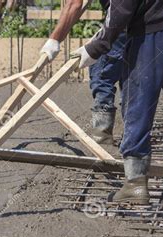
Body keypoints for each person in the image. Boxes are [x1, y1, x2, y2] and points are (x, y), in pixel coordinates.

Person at [42, 0, 163, 204]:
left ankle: (135, 184)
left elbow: (122, 6)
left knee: (137, 106)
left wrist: (96, 47)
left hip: (150, 34)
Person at [41, 0, 125, 145]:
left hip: (125, 19)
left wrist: (54, 40)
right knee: (133, 75)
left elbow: (74, 3)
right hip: (151, 21)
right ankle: (134, 135)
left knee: (101, 70)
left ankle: (102, 136)